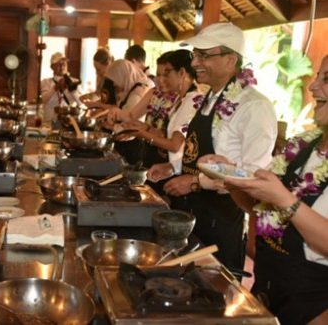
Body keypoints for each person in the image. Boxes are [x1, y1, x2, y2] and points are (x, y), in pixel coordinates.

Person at [205, 55, 328, 325]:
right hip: (268, 290)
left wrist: (285, 200)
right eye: (318, 76)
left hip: (313, 307)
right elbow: (258, 208)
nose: (313, 86)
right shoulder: (302, 148)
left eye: (326, 79)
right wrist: (232, 178)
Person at [161, 22, 277, 270]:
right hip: (190, 212)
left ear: (230, 59)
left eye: (204, 55)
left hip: (220, 220)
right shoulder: (210, 97)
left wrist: (196, 182)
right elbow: (197, 150)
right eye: (195, 55)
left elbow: (253, 177)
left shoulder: (254, 107)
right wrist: (173, 168)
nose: (194, 63)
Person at [113, 50, 201, 185]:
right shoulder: (181, 99)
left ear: (182, 73)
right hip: (167, 167)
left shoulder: (193, 100)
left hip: (175, 171)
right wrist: (143, 128)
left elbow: (174, 145)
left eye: (167, 73)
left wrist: (142, 133)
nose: (162, 79)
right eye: (160, 74)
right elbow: (164, 134)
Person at [100, 59, 150, 164]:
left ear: (124, 75)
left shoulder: (137, 94)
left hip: (132, 147)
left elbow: (132, 124)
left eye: (115, 79)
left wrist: (112, 127)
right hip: (126, 143)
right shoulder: (130, 89)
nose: (114, 84)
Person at [40, 52, 81, 123]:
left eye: (64, 64)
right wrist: (56, 87)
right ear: (52, 67)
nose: (62, 66)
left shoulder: (75, 82)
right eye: (59, 64)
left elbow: (80, 102)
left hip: (69, 122)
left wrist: (72, 89)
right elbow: (44, 99)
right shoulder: (45, 82)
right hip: (50, 121)